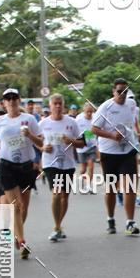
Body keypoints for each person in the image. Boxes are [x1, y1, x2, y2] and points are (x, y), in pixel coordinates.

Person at [0, 88, 43, 259]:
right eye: (7, 98)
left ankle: (15, 233)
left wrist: (30, 135)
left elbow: (41, 142)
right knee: (15, 206)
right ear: (4, 103)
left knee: (23, 207)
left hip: (26, 167)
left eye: (14, 98)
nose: (11, 101)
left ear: (19, 100)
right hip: (6, 166)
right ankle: (22, 241)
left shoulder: (29, 119)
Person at [91, 77, 140, 235]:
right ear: (114, 91)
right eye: (120, 91)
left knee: (130, 187)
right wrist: (112, 136)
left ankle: (130, 222)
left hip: (128, 151)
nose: (123, 94)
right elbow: (94, 129)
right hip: (109, 153)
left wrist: (137, 133)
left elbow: (133, 122)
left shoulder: (131, 104)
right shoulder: (105, 108)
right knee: (111, 189)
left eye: (125, 91)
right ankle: (110, 219)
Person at [40, 93, 84, 241]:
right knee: (57, 193)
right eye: (55, 104)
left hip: (68, 164)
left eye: (60, 103)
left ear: (63, 106)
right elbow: (36, 142)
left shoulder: (72, 122)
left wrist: (71, 141)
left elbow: (82, 143)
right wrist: (42, 148)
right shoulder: (43, 124)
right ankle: (57, 227)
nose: (58, 106)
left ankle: (59, 225)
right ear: (50, 106)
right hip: (50, 163)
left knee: (65, 197)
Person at [75, 102, 98, 187]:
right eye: (87, 111)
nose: (89, 113)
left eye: (91, 112)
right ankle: (82, 178)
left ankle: (88, 185)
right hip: (81, 147)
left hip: (92, 146)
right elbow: (75, 132)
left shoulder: (95, 117)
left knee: (91, 166)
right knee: (83, 169)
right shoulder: (78, 119)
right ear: (84, 110)